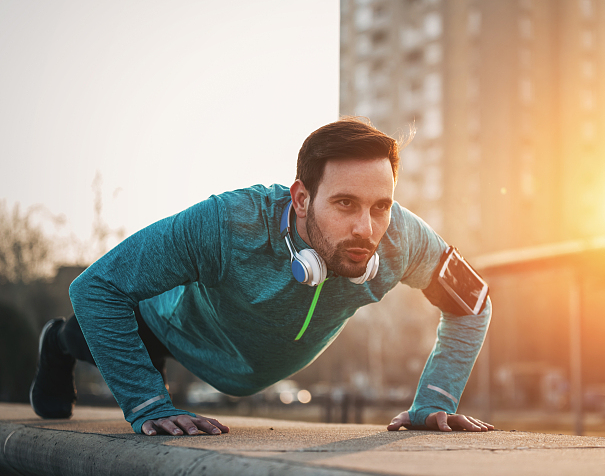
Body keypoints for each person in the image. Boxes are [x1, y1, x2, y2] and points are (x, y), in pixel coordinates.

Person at [30, 118, 493, 436]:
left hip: (249, 364)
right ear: (300, 199)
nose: (365, 229)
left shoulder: (404, 240)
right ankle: (56, 344)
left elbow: (473, 304)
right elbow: (96, 287)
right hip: (170, 328)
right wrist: (147, 403)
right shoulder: (226, 224)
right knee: (88, 335)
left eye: (381, 206)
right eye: (345, 203)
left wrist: (435, 400)